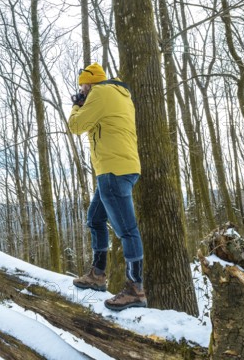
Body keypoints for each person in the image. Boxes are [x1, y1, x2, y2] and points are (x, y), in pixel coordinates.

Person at [68, 62, 147, 311]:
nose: (82, 91)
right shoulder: (119, 95)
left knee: (127, 230)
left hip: (113, 170)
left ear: (90, 83)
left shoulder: (100, 93)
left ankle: (135, 289)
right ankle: (98, 275)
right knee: (95, 218)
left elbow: (75, 126)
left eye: (83, 87)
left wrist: (76, 104)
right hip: (121, 168)